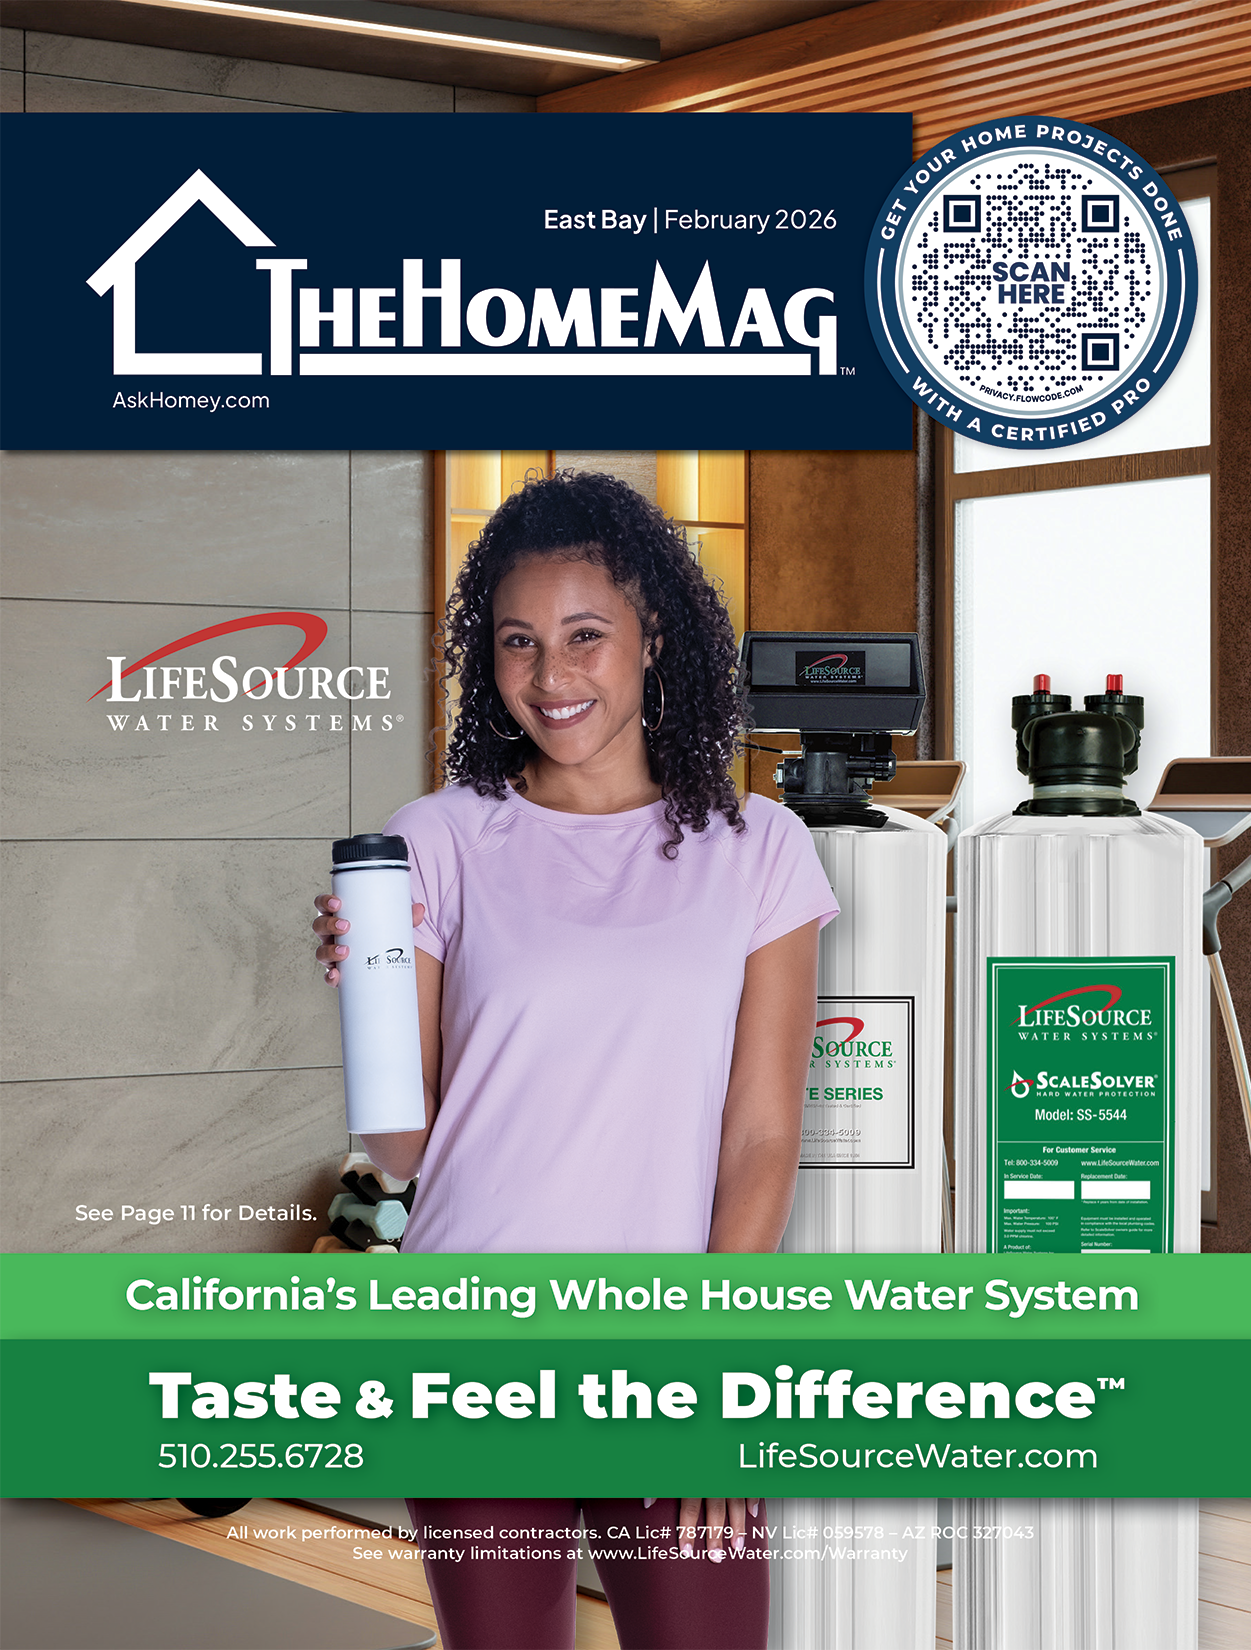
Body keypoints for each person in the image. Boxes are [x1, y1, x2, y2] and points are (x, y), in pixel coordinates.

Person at [313, 470, 838, 1650]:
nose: (551, 678)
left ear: (653, 634)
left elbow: (760, 1135)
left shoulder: (758, 850)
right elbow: (403, 1149)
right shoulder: (436, 838)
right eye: (517, 643)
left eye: (584, 637)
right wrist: (370, 997)